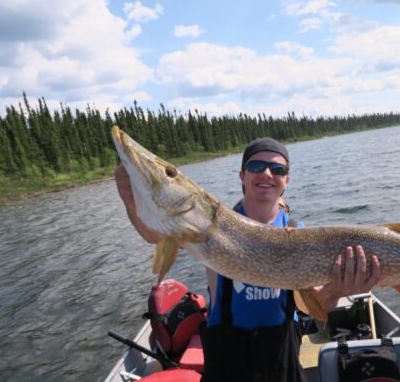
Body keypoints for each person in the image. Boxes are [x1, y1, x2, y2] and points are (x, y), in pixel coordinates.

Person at [114, 137, 381, 382]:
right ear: (242, 175)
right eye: (256, 166)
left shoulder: (299, 233)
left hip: (283, 359)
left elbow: (314, 308)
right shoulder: (209, 225)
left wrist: (337, 290)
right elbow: (153, 233)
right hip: (227, 363)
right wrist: (131, 201)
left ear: (287, 180)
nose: (267, 174)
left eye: (278, 169)